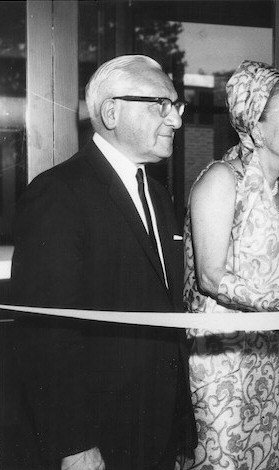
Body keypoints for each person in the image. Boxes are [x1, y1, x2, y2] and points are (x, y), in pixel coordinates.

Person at [11, 55, 194, 470]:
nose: (176, 121)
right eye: (161, 105)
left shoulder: (159, 196)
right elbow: (46, 334)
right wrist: (73, 444)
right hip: (99, 436)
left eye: (177, 106)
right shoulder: (59, 194)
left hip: (156, 427)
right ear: (111, 111)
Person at [182, 60, 279, 470]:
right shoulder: (220, 179)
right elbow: (210, 277)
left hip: (270, 357)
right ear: (256, 127)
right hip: (218, 362)